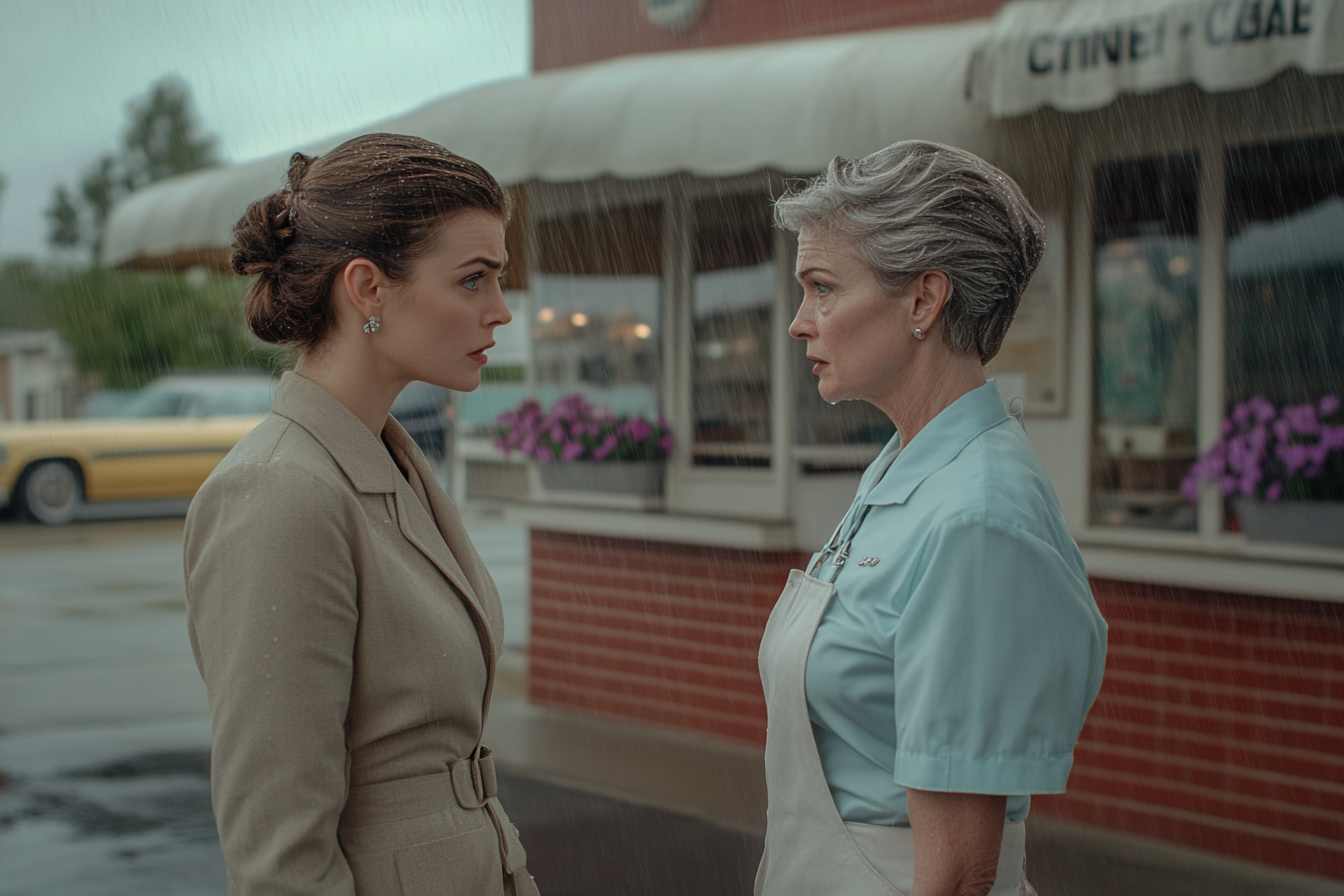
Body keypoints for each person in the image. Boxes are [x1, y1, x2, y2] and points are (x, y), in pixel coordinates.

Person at [183, 134, 538, 896]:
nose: (501, 311)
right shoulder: (281, 492)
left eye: (497, 279)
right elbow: (279, 858)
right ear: (368, 288)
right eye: (473, 280)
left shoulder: (391, 463)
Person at [757, 141, 1107, 896]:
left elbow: (954, 875)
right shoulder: (905, 466)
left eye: (822, 289)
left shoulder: (977, 522)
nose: (798, 323)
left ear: (924, 299)